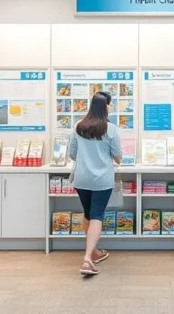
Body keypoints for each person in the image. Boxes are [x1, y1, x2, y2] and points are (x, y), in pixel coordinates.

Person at [67, 91, 122, 276]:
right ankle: (87, 259)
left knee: (89, 215)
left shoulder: (78, 126)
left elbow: (72, 154)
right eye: (110, 104)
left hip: (81, 179)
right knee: (97, 215)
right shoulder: (111, 129)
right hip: (102, 180)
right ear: (105, 106)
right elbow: (117, 156)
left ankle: (95, 253)